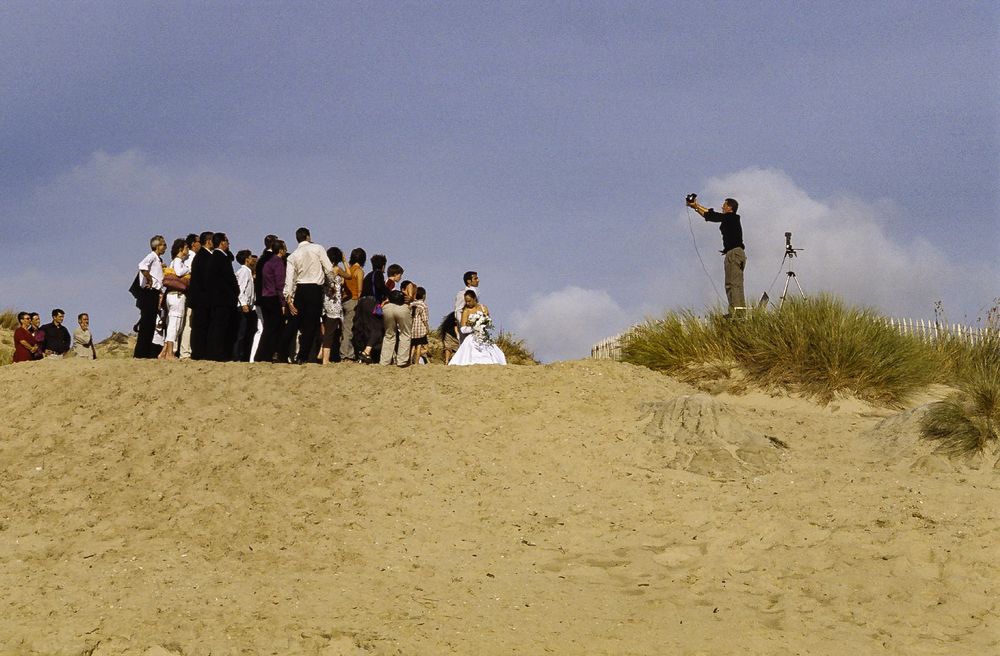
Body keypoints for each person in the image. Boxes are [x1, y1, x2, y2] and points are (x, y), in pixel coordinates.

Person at [687, 195, 747, 314]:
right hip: (736, 253)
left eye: (724, 205)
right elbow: (710, 215)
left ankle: (736, 313)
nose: (722, 207)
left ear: (730, 207)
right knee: (737, 284)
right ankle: (739, 311)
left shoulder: (730, 217)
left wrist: (696, 206)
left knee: (732, 284)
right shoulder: (731, 218)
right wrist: (696, 207)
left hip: (734, 254)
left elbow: (712, 216)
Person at [283, 227, 333, 365]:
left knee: (294, 323)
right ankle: (302, 356)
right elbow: (328, 268)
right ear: (308, 236)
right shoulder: (318, 248)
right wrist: (332, 283)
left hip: (300, 289)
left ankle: (281, 351)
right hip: (315, 289)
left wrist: (289, 298)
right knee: (311, 325)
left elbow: (290, 279)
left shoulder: (293, 255)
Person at [448, 290, 506, 366]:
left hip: (484, 336)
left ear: (474, 298)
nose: (467, 303)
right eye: (466, 301)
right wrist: (474, 327)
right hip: (473, 337)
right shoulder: (466, 311)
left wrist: (484, 324)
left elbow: (489, 321)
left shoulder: (483, 308)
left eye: (469, 301)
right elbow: (462, 329)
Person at [206, 232, 239, 361]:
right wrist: (235, 290)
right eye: (227, 241)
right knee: (220, 327)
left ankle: (215, 353)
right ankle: (218, 354)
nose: (229, 244)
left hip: (218, 298)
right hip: (223, 299)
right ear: (222, 242)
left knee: (217, 326)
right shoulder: (221, 258)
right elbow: (229, 278)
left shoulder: (215, 257)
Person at [134, 235, 167, 358]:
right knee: (147, 323)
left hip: (155, 293)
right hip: (150, 293)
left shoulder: (158, 259)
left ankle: (145, 352)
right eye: (163, 244)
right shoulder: (152, 256)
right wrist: (149, 279)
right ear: (157, 246)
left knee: (150, 324)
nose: (165, 247)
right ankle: (141, 353)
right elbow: (142, 266)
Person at [255, 239, 288, 363]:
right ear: (281, 250)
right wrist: (283, 303)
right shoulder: (278, 263)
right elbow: (280, 284)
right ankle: (268, 354)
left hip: (265, 297)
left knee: (268, 327)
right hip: (273, 298)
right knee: (274, 328)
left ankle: (263, 355)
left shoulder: (267, 262)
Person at [160, 238, 190, 359]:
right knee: (174, 323)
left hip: (172, 296)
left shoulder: (175, 261)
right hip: (176, 295)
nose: (187, 250)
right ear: (181, 249)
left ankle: (164, 351)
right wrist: (188, 269)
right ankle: (170, 353)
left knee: (173, 323)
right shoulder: (178, 261)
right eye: (186, 247)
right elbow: (178, 272)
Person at [355, 253, 388, 364]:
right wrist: (390, 294)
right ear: (383, 266)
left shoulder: (368, 275)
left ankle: (363, 352)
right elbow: (380, 287)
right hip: (371, 302)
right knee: (377, 328)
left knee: (365, 328)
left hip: (362, 302)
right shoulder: (378, 274)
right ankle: (366, 352)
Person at [186, 231, 214, 360]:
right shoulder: (204, 257)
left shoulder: (202, 256)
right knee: (200, 326)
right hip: (202, 298)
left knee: (201, 325)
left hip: (201, 297)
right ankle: (199, 352)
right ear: (208, 241)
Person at [249, 234, 277, 362]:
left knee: (262, 328)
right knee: (264, 328)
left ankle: (256, 356)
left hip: (260, 297)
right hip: (269, 297)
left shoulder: (261, 259)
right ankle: (260, 355)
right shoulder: (273, 259)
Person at [319, 247, 346, 365]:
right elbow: (349, 275)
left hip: (325, 301)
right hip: (334, 303)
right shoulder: (336, 269)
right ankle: (326, 359)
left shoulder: (324, 269)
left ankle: (321, 352)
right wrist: (345, 262)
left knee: (326, 330)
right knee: (331, 331)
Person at [380, 279, 414, 367]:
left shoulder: (390, 287)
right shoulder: (407, 293)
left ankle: (384, 361)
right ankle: (402, 361)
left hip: (388, 308)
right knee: (405, 334)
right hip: (402, 308)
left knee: (389, 335)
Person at [340, 248, 366, 362]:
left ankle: (347, 352)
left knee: (345, 327)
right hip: (354, 300)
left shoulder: (348, 270)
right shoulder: (359, 271)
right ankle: (347, 354)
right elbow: (360, 290)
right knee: (349, 329)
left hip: (345, 300)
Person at [178, 233, 201, 359]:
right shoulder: (192, 258)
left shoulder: (188, 257)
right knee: (188, 323)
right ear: (193, 244)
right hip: (190, 292)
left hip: (186, 293)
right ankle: (185, 352)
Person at [234, 249, 257, 361]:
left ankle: (243, 355)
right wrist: (243, 304)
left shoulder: (248, 272)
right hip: (243, 306)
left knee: (247, 332)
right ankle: (237, 356)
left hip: (249, 306)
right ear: (247, 259)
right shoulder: (244, 272)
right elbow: (241, 289)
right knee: (241, 333)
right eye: (250, 257)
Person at [409, 286, 429, 365]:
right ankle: (416, 361)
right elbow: (424, 319)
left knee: (413, 346)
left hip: (412, 328)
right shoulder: (423, 305)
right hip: (420, 329)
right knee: (419, 345)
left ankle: (410, 360)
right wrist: (427, 328)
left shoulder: (411, 304)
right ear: (424, 296)